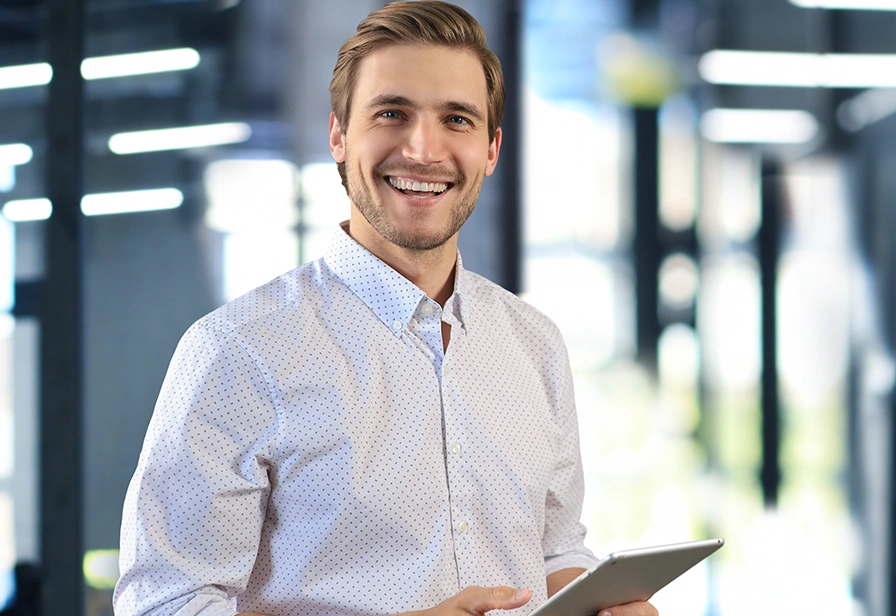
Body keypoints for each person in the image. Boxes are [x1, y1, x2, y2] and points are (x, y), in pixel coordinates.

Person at [113, 2, 657, 615]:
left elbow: (555, 549)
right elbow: (164, 604)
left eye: (457, 119)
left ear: (492, 149)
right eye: (392, 114)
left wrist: (602, 602)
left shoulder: (533, 343)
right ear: (339, 136)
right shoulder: (239, 351)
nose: (423, 150)